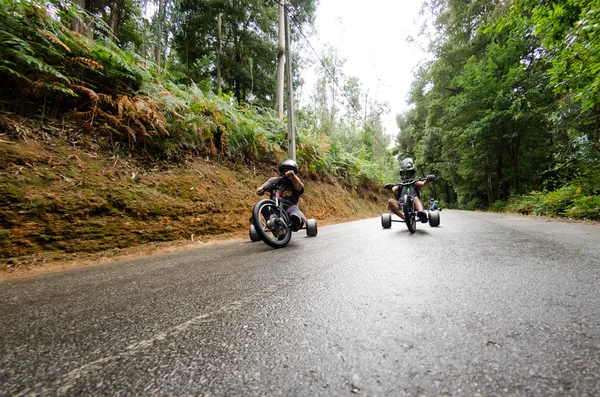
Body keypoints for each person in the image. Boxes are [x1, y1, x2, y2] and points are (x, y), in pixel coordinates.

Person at [256, 159, 306, 231]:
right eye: (285, 170)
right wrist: (261, 190)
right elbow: (261, 189)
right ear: (281, 171)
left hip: (289, 206)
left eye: (289, 170)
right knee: (264, 206)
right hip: (274, 206)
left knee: (294, 213)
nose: (287, 173)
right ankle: (271, 223)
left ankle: (296, 222)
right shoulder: (274, 180)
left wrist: (293, 177)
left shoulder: (295, 182)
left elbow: (299, 187)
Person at [384, 157, 435, 223]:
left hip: (415, 204)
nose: (406, 175)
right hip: (401, 204)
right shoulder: (400, 185)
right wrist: (389, 188)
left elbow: (423, 183)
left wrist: (428, 179)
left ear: (412, 173)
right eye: (404, 173)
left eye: (408, 173)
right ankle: (405, 219)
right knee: (390, 201)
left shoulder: (415, 183)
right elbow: (392, 191)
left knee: (415, 198)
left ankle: (421, 214)